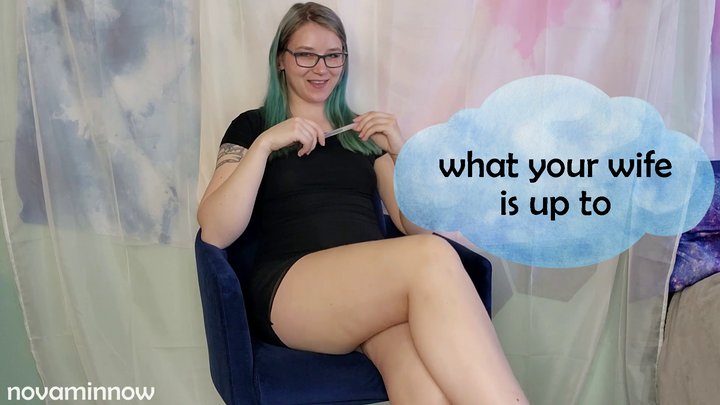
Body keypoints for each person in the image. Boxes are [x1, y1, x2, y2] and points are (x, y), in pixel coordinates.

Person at [197, 3, 528, 404]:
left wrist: (400, 152)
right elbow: (215, 230)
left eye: (333, 56)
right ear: (281, 59)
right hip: (292, 292)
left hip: (370, 296)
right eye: (306, 55)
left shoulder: (362, 134)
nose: (321, 68)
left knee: (419, 372)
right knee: (432, 254)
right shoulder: (253, 127)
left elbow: (415, 226)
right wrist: (266, 144)